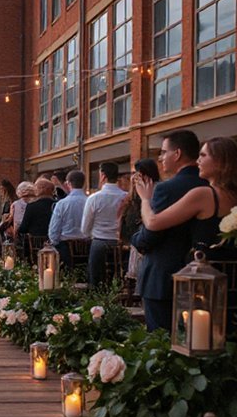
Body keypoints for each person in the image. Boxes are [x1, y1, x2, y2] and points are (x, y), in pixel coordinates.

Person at [131, 130, 208, 332]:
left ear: (177, 154)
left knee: (161, 341)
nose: (160, 158)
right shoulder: (209, 185)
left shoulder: (167, 189)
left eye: (164, 152)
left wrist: (135, 239)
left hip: (163, 276)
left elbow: (150, 235)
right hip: (201, 275)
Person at [81, 163, 128, 287]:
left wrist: (88, 234)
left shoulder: (94, 198)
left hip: (99, 242)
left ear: (102, 176)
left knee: (96, 281)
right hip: (121, 244)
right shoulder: (126, 197)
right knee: (120, 279)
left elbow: (85, 227)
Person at [118, 158, 160, 279]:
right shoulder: (136, 193)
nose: (134, 177)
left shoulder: (155, 190)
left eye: (136, 174)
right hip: (136, 239)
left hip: (146, 239)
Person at [48, 170, 88, 267]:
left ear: (68, 183)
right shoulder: (89, 201)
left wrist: (54, 242)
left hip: (65, 248)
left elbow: (53, 231)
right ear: (84, 183)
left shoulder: (62, 204)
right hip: (87, 247)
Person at [17, 178, 55, 259]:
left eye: (36, 187)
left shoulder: (32, 206)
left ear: (41, 189)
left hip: (36, 245)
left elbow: (23, 228)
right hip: (54, 245)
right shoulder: (57, 205)